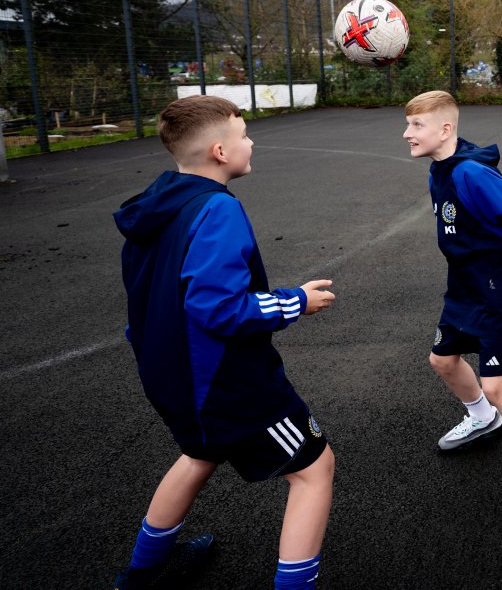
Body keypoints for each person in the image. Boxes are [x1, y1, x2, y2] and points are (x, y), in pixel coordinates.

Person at [112, 95, 336, 590]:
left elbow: (143, 297)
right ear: (219, 151)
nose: (251, 142)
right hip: (223, 382)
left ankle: (142, 574)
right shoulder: (217, 210)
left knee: (198, 455)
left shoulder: (156, 203)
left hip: (169, 374)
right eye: (243, 135)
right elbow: (220, 309)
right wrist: (296, 300)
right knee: (314, 468)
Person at [403, 90, 502, 512]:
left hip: (497, 290)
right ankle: (484, 419)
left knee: (497, 384)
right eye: (409, 124)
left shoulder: (471, 174)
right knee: (443, 360)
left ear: (445, 129)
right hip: (465, 285)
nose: (406, 134)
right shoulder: (441, 169)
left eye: (417, 126)